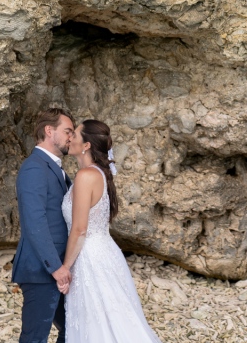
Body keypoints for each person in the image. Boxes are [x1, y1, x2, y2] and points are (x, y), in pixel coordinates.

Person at [60, 119, 162, 343]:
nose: (69, 138)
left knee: (102, 324)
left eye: (74, 135)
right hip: (103, 252)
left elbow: (79, 229)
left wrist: (65, 268)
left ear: (86, 145)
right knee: (111, 319)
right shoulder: (97, 173)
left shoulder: (86, 176)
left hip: (90, 258)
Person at [12, 108, 76, 343]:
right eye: (67, 131)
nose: (71, 137)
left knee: (73, 330)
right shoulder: (34, 168)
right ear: (49, 131)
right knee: (34, 338)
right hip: (42, 271)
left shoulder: (54, 168)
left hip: (57, 269)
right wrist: (55, 267)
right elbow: (34, 221)